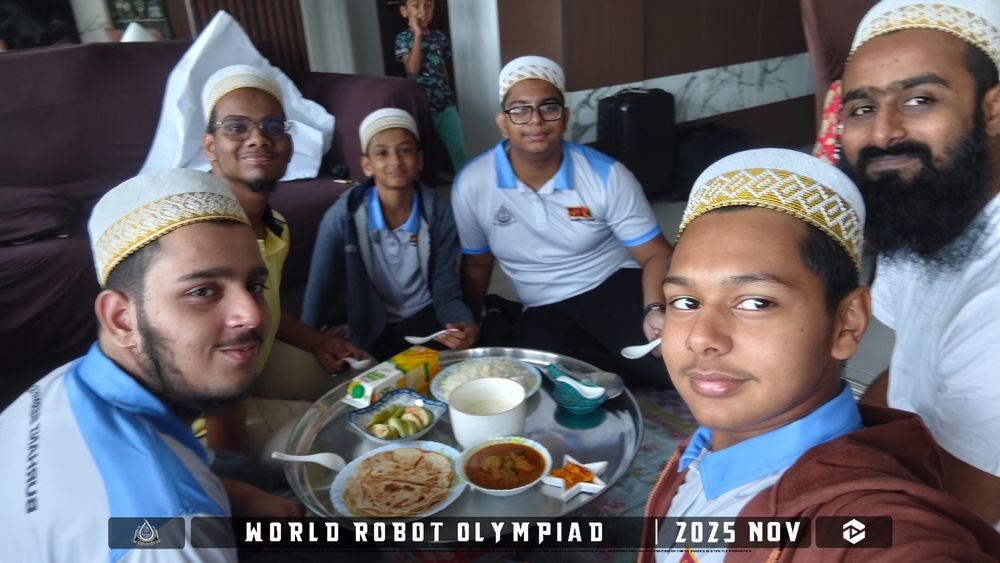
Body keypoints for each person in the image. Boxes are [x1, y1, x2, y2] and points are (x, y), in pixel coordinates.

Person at [640, 149, 1000, 562]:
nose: (701, 338)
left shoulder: (867, 522)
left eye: (756, 302)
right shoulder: (701, 450)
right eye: (685, 302)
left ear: (847, 323)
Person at [0, 169, 301, 563]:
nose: (253, 315)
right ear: (122, 319)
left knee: (241, 470)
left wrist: (243, 497)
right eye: (202, 291)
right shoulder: (175, 537)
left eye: (255, 286)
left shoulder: (64, 383)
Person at [837, 0, 1000, 527]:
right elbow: (909, 370)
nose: (882, 133)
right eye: (862, 109)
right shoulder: (933, 210)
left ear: (993, 109)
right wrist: (846, 438)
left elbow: (957, 516)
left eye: (919, 100)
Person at [452, 55, 672, 388]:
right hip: (542, 304)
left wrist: (655, 308)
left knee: (669, 367)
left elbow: (656, 254)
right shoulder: (472, 184)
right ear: (503, 123)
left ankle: (607, 351)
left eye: (548, 107)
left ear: (565, 116)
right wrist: (470, 323)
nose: (535, 120)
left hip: (610, 282)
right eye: (520, 110)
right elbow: (477, 265)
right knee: (534, 381)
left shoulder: (606, 175)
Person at [200, 65, 364, 465]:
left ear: (288, 145)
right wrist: (233, 478)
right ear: (210, 146)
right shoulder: (202, 237)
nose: (258, 138)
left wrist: (318, 342)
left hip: (259, 360)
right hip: (209, 405)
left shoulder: (276, 225)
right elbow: (207, 367)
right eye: (236, 127)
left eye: (272, 126)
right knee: (339, 440)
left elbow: (266, 307)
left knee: (367, 377)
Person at [302, 108, 477, 360]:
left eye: (404, 150)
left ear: (419, 159)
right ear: (367, 165)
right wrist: (310, 341)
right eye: (382, 153)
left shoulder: (439, 214)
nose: (395, 161)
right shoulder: (344, 216)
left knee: (460, 363)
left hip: (427, 319)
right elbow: (320, 288)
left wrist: (463, 324)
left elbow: (445, 289)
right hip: (375, 326)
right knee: (387, 374)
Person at [395, 0, 467, 171]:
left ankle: (465, 185)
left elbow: (443, 69)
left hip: (446, 105)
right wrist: (417, 35)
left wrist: (448, 93)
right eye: (416, 5)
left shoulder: (439, 37)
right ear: (404, 11)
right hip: (423, 108)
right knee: (424, 155)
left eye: (428, 5)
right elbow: (412, 69)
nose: (424, 10)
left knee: (459, 151)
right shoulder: (403, 39)